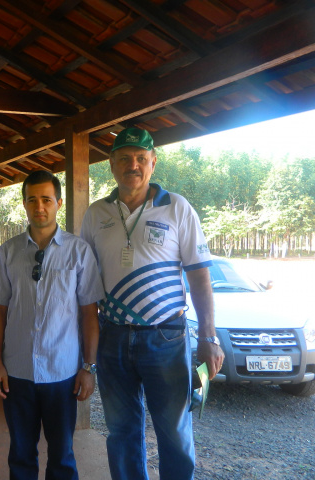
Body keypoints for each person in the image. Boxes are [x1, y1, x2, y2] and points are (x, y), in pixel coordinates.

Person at [80, 128, 225, 480]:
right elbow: (84, 284)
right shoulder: (96, 214)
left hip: (167, 338)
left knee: (174, 432)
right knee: (121, 431)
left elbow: (200, 277)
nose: (134, 165)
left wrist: (208, 336)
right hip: (112, 337)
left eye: (141, 159)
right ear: (111, 164)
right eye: (125, 158)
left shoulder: (177, 208)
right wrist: (86, 352)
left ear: (153, 163)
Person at [0, 170, 104, 480]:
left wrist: (88, 368)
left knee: (62, 456)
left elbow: (90, 314)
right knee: (21, 456)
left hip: (62, 374)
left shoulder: (78, 252)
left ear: (58, 203)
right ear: (24, 204)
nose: (40, 207)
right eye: (32, 200)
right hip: (17, 373)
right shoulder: (9, 252)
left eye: (46, 200)